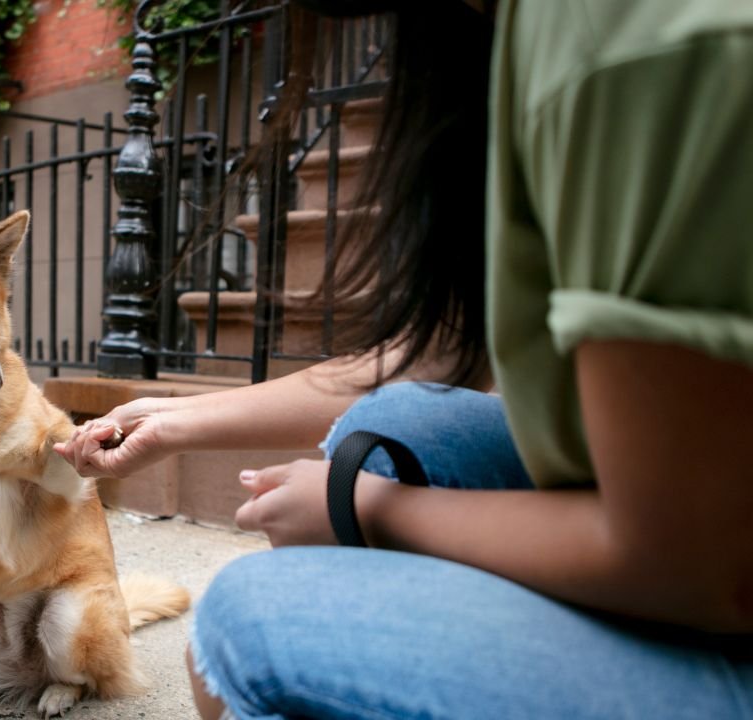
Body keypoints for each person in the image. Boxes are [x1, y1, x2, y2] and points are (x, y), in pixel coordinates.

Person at [55, 0, 753, 717]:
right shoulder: (508, 35)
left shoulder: (614, 41)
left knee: (247, 623)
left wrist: (369, 508)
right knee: (399, 427)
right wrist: (171, 420)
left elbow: (702, 565)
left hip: (710, 580)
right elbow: (439, 353)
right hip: (699, 552)